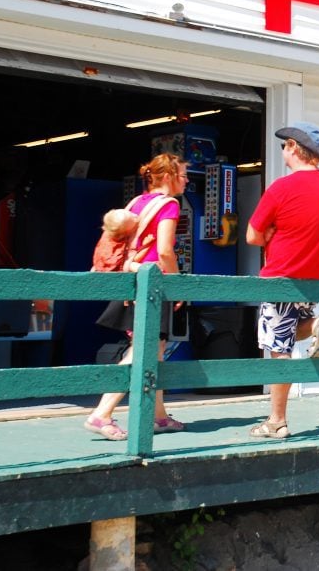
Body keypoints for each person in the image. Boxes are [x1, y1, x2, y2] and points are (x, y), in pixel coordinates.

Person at [246, 122, 319, 439]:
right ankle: (314, 324)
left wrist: (271, 234)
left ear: (291, 147)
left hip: (281, 277)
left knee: (278, 348)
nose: (283, 152)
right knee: (289, 332)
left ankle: (277, 420)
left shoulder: (281, 188)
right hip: (315, 279)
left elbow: (252, 235)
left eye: (283, 147)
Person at [84, 153, 189, 440]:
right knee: (144, 350)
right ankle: (101, 413)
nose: (187, 180)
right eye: (182, 175)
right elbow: (165, 251)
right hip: (152, 284)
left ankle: (159, 417)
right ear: (168, 177)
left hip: (130, 280)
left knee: (153, 350)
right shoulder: (169, 205)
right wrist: (178, 284)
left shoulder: (136, 203)